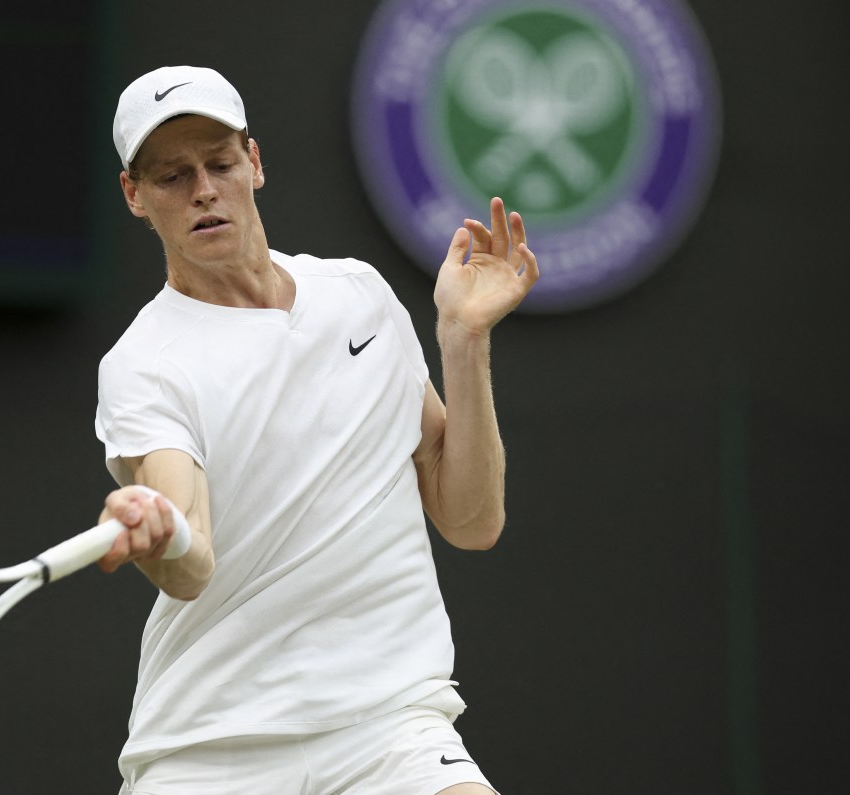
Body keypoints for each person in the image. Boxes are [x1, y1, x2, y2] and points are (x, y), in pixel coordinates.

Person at [94, 65, 538, 795]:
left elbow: (470, 519)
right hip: (212, 745)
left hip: (388, 726)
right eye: (171, 175)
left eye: (220, 163)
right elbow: (191, 561)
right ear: (134, 195)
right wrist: (161, 529)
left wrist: (462, 338)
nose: (203, 189)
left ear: (254, 163)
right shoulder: (144, 365)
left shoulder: (357, 295)